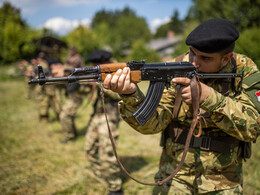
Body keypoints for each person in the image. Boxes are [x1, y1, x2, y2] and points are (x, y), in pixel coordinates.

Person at [103, 18, 260, 194]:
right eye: (192, 53)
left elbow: (252, 127)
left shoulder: (244, 70)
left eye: (204, 58)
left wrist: (209, 98)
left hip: (223, 181)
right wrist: (130, 95)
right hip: (174, 175)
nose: (193, 62)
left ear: (226, 59)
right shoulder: (174, 67)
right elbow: (152, 124)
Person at [85, 50, 124, 195]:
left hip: (109, 118)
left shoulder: (118, 71)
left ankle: (115, 188)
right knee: (90, 149)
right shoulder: (100, 72)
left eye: (96, 65)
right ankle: (103, 176)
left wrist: (101, 83)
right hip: (97, 115)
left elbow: (119, 94)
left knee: (107, 154)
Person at [59, 46, 85, 143]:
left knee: (65, 115)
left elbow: (82, 71)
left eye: (72, 50)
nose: (71, 51)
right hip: (71, 89)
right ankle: (73, 133)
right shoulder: (68, 57)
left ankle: (70, 136)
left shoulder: (78, 58)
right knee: (68, 114)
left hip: (76, 88)